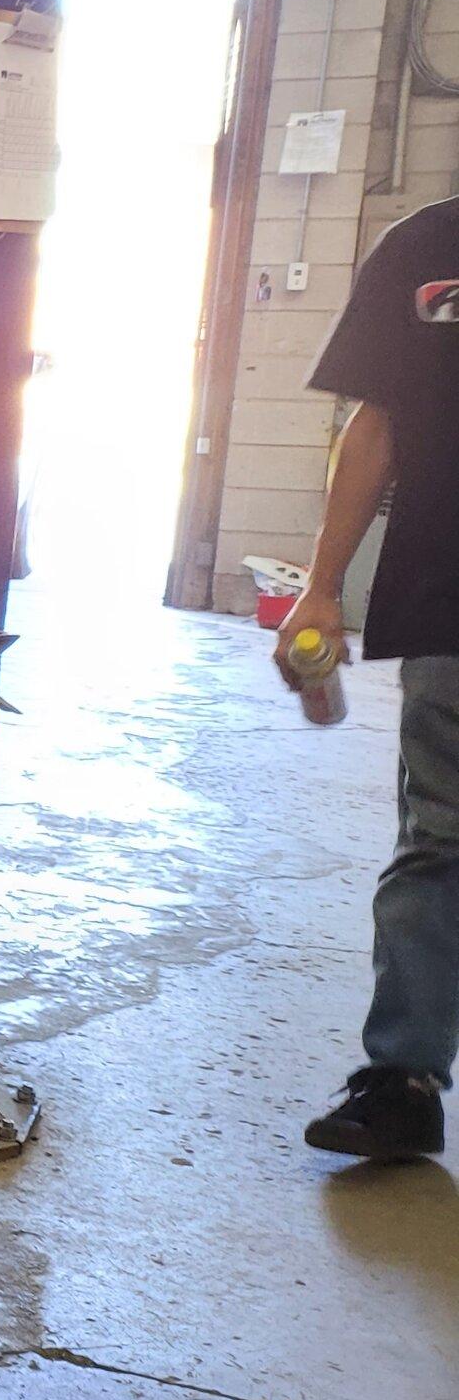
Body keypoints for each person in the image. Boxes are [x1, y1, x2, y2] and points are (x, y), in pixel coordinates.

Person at [284, 197, 459, 1161]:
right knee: (438, 836)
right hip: (449, 590)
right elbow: (376, 424)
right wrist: (319, 588)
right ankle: (403, 1080)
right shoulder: (427, 246)